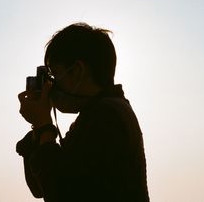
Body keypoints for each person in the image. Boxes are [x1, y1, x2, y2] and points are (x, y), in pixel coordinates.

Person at [16, 23, 150, 202]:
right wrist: (38, 131)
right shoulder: (100, 113)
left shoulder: (106, 119)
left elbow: (61, 193)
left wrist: (43, 126)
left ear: (78, 70)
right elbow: (40, 187)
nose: (52, 87)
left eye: (55, 76)